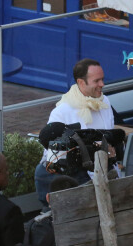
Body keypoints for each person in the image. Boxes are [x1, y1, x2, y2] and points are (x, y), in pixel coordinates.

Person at [35, 58, 114, 206]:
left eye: (102, 79)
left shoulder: (105, 102)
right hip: (80, 181)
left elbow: (109, 135)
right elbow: (51, 155)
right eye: (97, 81)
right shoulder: (62, 111)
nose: (102, 84)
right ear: (81, 82)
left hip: (105, 174)